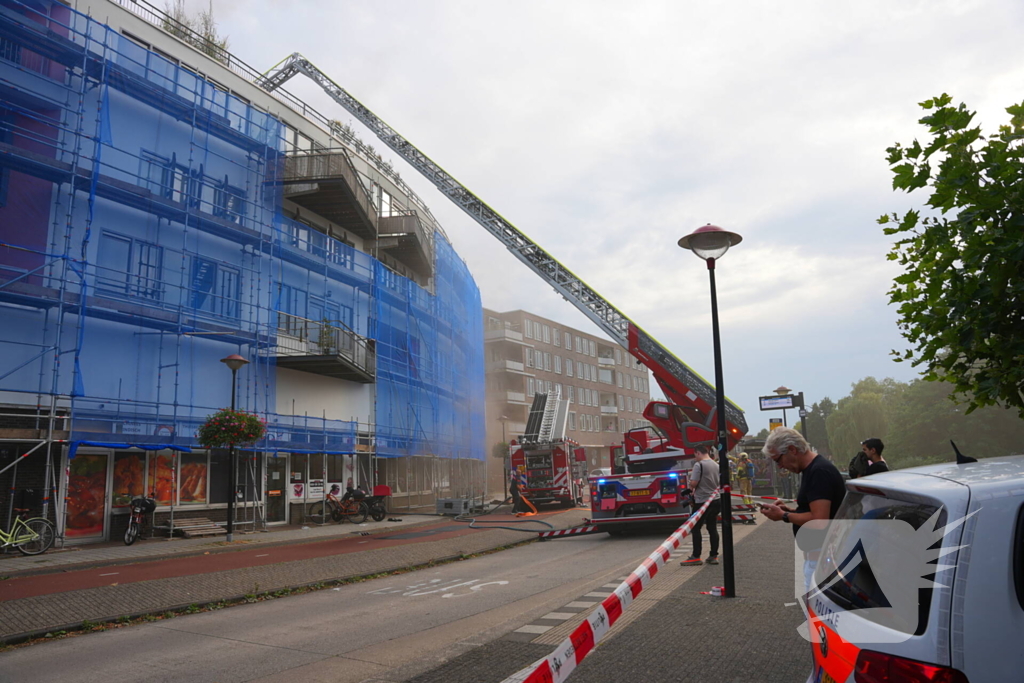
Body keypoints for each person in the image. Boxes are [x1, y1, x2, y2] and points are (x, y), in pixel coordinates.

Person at [759, 427, 846, 590]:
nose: (779, 466)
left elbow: (819, 521)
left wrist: (784, 515)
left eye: (778, 460)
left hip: (820, 561)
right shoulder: (814, 469)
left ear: (792, 450)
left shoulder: (818, 472)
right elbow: (817, 512)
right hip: (819, 559)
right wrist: (790, 511)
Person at [681, 444, 720, 566]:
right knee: (712, 528)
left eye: (695, 455)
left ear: (698, 452)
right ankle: (713, 555)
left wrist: (690, 484)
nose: (695, 458)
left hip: (702, 501)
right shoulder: (716, 465)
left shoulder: (699, 465)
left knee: (695, 528)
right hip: (715, 500)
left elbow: (694, 483)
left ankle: (696, 556)